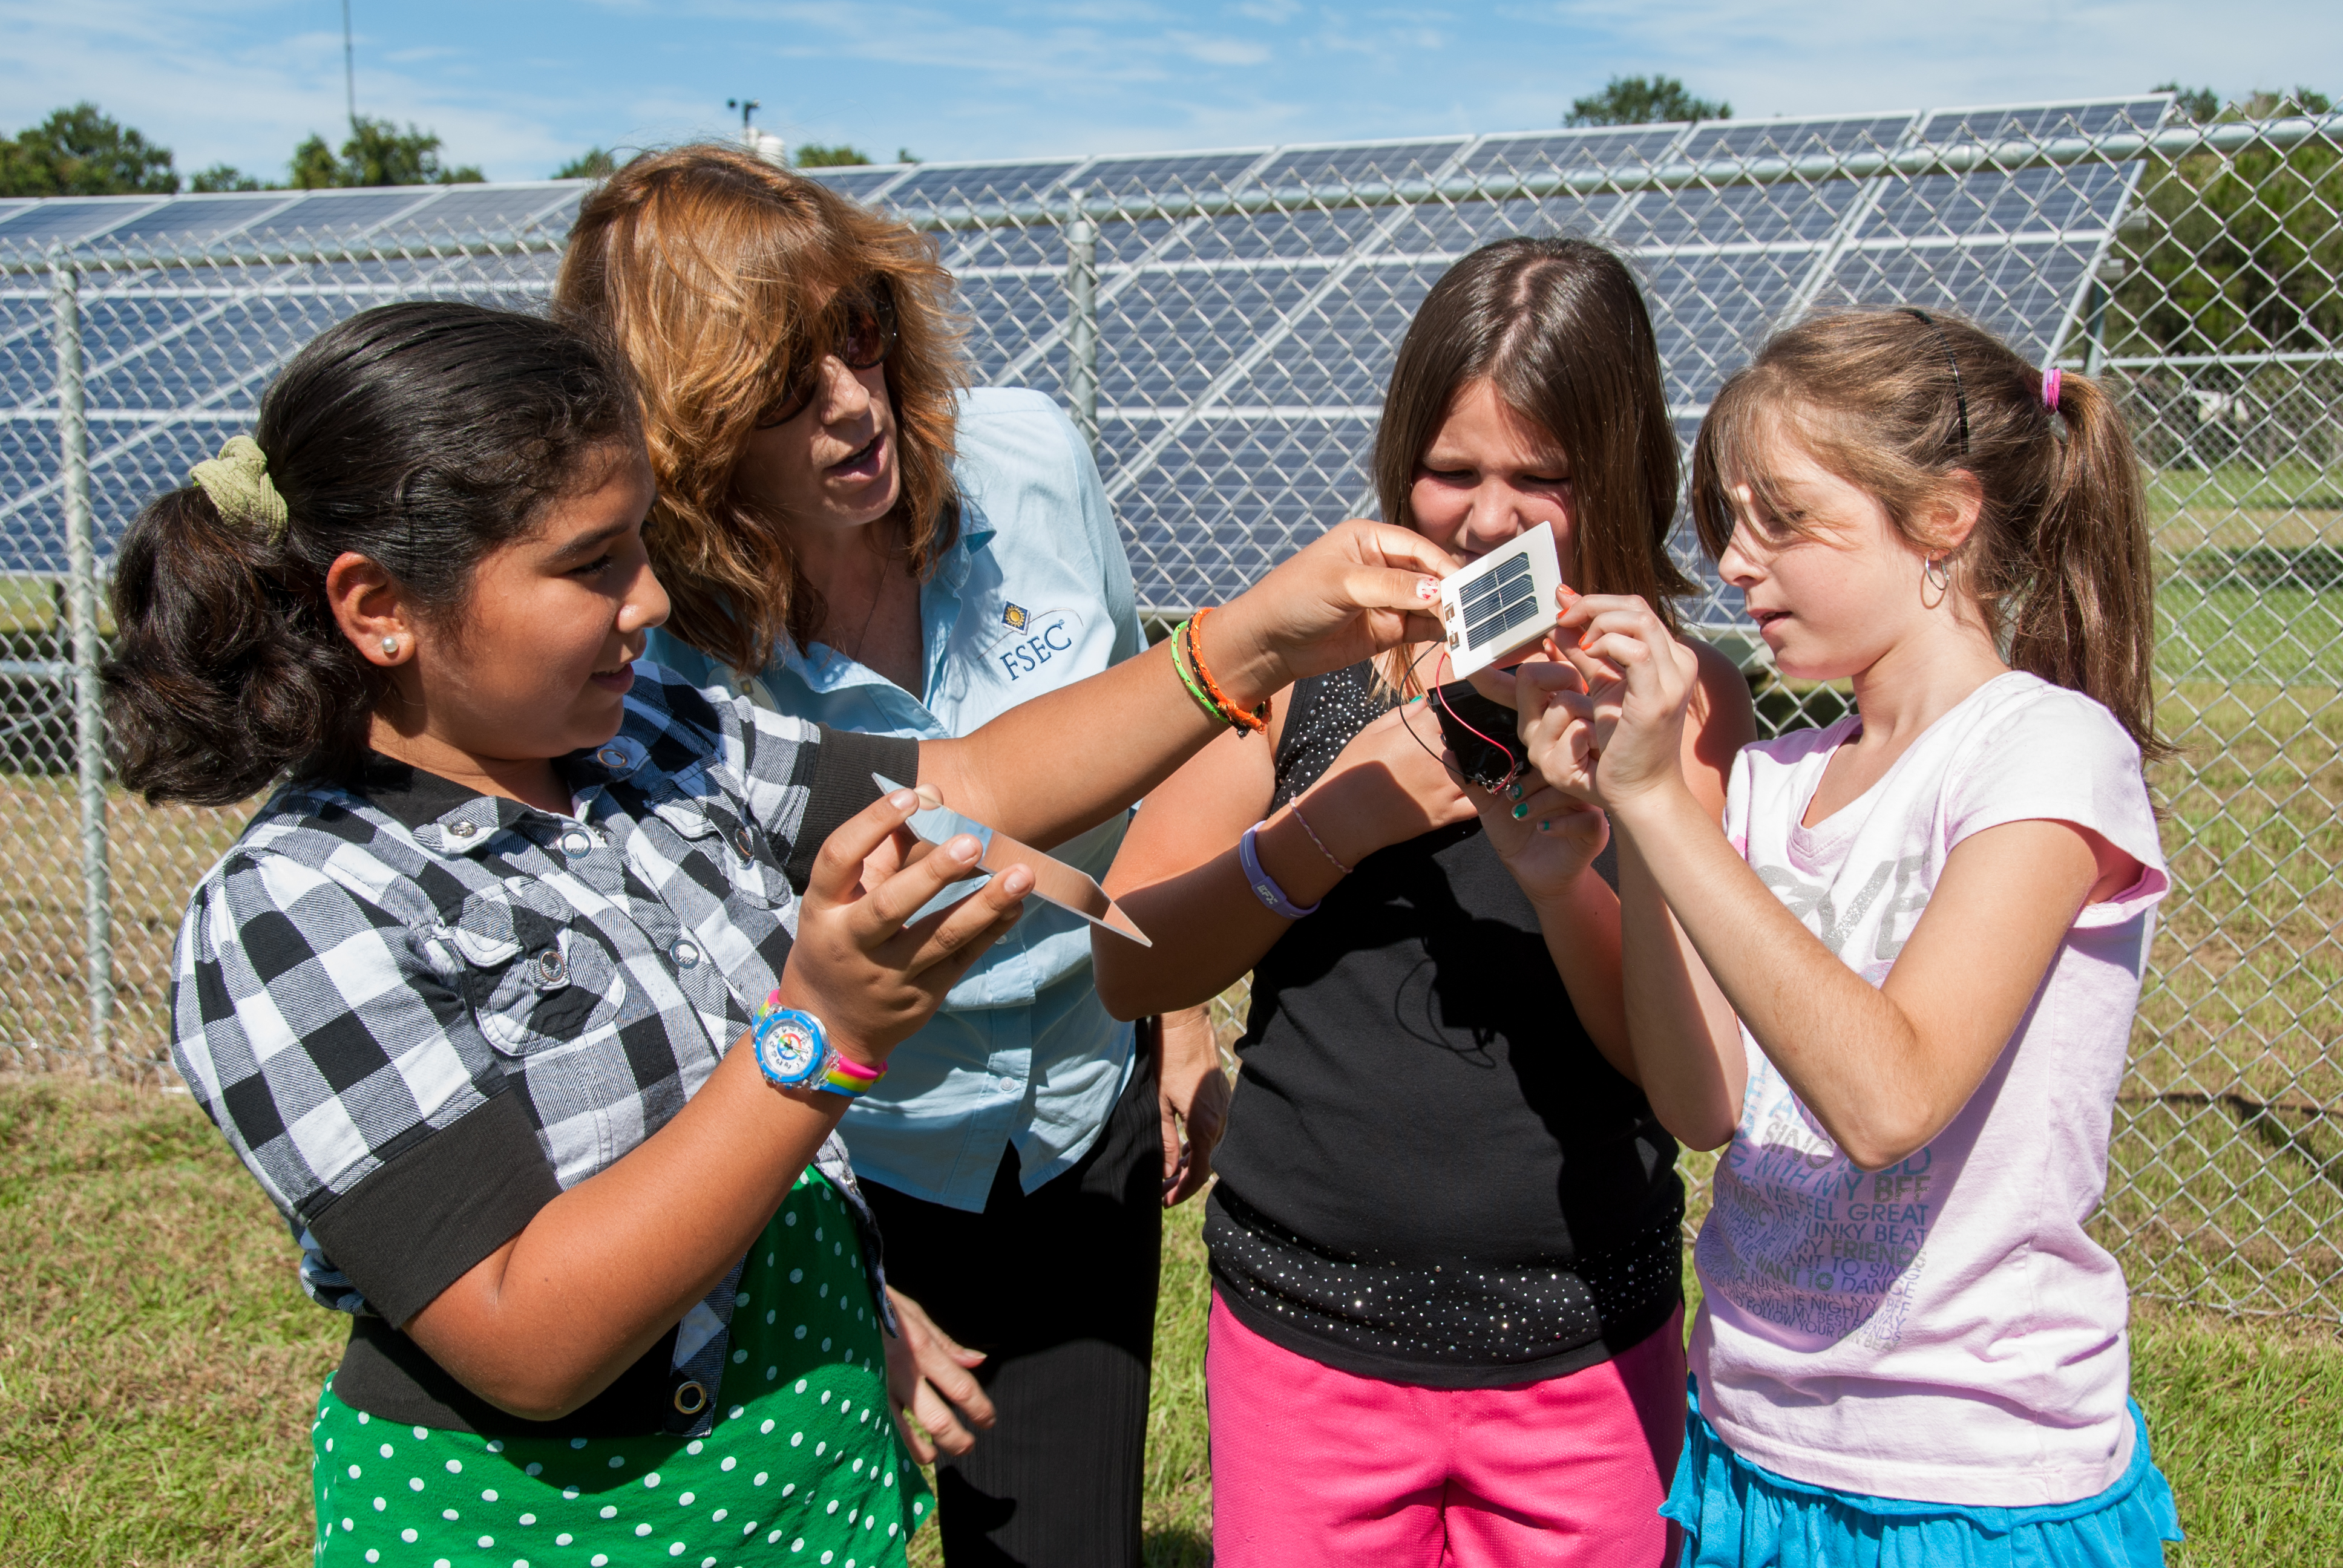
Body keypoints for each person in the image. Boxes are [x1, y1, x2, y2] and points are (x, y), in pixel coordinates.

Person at [108, 302, 1452, 1565]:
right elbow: (525, 1334)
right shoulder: (297, 915)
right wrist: (827, 1034)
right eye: (590, 566)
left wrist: (1247, 646)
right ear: (377, 608)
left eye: (637, 543)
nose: (646, 603)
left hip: (802, 1486)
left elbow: (965, 788)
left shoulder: (646, 743)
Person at [554, 143, 1222, 1566]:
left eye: (858, 336)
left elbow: (1140, 733)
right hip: (831, 1158)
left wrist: (1171, 1012)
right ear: (686, 423)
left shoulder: (1035, 459)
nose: (856, 405)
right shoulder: (647, 641)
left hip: (1072, 1113)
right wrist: (841, 1270)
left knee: (1060, 1542)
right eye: (784, 386)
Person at [1094, 237, 1757, 1567]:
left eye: (1542, 479)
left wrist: (1586, 847)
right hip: (1306, 1335)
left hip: (1584, 1343)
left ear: (1616, 469)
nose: (1490, 517)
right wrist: (1337, 816)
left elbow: (1679, 1079)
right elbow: (1130, 959)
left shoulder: (1688, 705)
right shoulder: (1301, 669)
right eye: (1453, 470)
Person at [1512, 308, 2185, 1564]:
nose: (1735, 567)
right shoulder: (1771, 783)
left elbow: (1888, 1098)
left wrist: (1666, 807)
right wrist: (1619, 828)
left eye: (1784, 519)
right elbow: (1702, 1101)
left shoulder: (2042, 753)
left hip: (1971, 1482)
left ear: (1943, 518)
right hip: (1752, 1445)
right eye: (1727, 520)